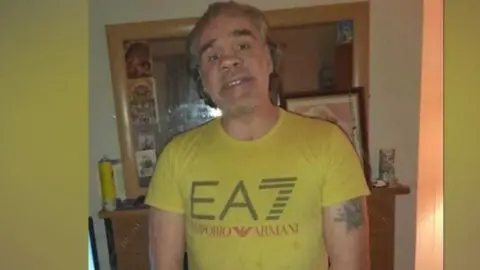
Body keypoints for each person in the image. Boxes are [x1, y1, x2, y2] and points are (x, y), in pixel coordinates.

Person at [145, 1, 371, 270]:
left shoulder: (330, 145)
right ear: (203, 80)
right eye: (213, 56)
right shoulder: (175, 157)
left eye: (243, 45)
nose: (229, 60)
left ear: (270, 59)